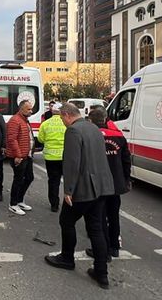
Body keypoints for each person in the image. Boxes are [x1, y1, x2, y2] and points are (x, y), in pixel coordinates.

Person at [44, 102, 115, 290]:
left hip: (83, 188)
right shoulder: (93, 127)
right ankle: (101, 273)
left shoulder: (74, 131)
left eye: (61, 118)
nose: (62, 122)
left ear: (67, 115)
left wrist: (68, 190)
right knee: (96, 228)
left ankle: (67, 258)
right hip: (101, 186)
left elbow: (72, 162)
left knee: (66, 221)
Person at [86, 108, 131, 261]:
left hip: (98, 183)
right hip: (116, 183)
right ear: (105, 119)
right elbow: (126, 160)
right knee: (113, 216)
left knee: (99, 216)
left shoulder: (91, 136)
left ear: (90, 121)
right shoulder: (119, 136)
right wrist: (126, 180)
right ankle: (114, 247)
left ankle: (102, 249)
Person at [5, 100, 35, 215]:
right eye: (28, 109)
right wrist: (17, 155)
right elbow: (12, 139)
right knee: (18, 179)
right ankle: (13, 204)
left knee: (29, 177)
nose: (31, 111)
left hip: (27, 155)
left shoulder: (24, 120)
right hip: (20, 156)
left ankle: (19, 200)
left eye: (31, 109)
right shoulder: (15, 120)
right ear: (21, 109)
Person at [37, 102, 66, 212]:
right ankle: (70, 202)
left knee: (53, 181)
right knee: (68, 180)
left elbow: (40, 139)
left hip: (50, 157)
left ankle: (54, 204)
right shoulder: (66, 123)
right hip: (64, 156)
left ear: (52, 111)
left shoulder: (45, 124)